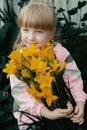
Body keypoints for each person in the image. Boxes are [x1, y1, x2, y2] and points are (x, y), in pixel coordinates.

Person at [9, 1, 87, 130]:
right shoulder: (18, 61)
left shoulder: (60, 52)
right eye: (25, 30)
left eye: (38, 31)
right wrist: (47, 113)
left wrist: (80, 102)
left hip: (63, 111)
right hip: (32, 118)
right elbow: (21, 95)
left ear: (51, 32)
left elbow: (74, 79)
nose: (31, 37)